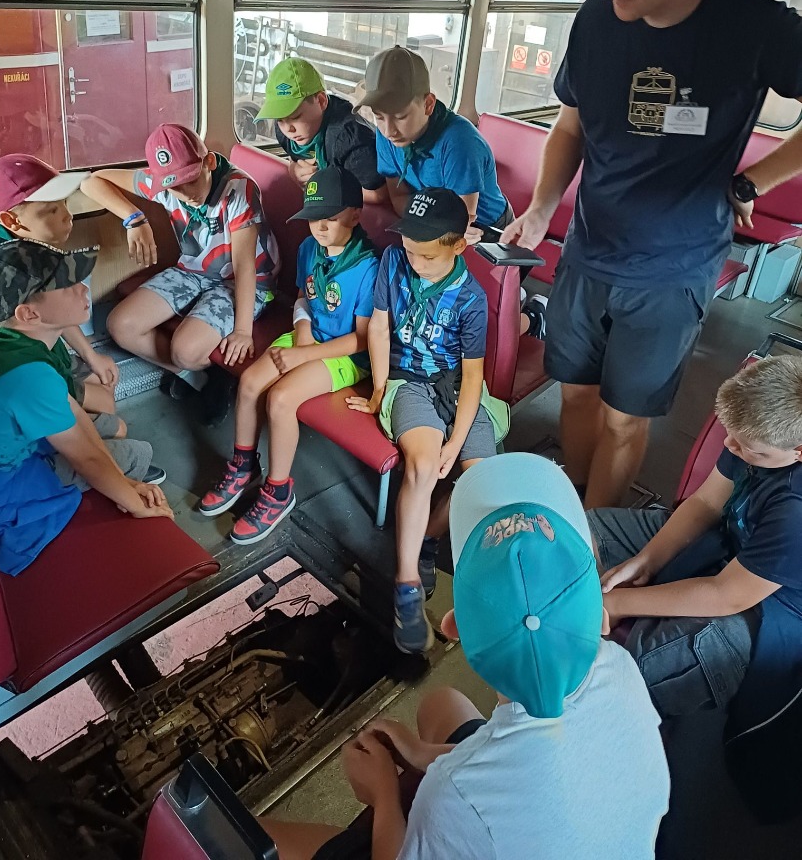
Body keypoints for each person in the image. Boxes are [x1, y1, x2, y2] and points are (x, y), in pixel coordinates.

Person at [501, 0, 802, 509]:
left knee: (623, 419)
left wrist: (754, 180)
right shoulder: (595, 21)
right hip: (588, 253)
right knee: (575, 396)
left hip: (672, 270)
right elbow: (570, 127)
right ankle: (574, 500)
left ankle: (594, 531)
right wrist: (543, 207)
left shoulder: (754, 26)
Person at [258, 453, 670, 859]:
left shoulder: (453, 797)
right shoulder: (620, 669)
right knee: (442, 705)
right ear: (601, 620)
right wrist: (422, 755)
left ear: (453, 628)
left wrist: (382, 795)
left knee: (260, 837)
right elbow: (531, 771)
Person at [591, 354, 802, 823]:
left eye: (747, 448)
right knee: (584, 531)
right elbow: (707, 502)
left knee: (632, 666)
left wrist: (617, 601)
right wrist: (647, 560)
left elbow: (728, 596)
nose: (729, 445)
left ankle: (617, 766)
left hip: (768, 610)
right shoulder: (750, 434)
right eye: (730, 435)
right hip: (732, 543)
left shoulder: (796, 510)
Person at [347, 188, 507, 654]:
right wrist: (379, 391)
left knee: (479, 479)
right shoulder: (393, 261)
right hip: (408, 381)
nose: (414, 262)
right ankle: (406, 585)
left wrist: (456, 444)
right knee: (421, 466)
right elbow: (379, 326)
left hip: (456, 385)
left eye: (427, 255)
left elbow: (473, 376)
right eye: (410, 250)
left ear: (458, 245)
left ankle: (428, 537)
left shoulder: (471, 298)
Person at [198, 166, 380, 544]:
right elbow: (302, 299)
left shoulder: (368, 266)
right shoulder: (309, 248)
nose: (320, 227)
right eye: (313, 217)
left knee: (281, 399)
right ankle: (244, 466)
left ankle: (279, 491)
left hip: (345, 354)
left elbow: (364, 340)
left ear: (355, 215)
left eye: (330, 218)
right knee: (250, 382)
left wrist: (304, 356)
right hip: (308, 334)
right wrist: (302, 332)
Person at [0, 239, 173, 576]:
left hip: (19, 440)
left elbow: (73, 410)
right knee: (137, 453)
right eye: (67, 287)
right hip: (5, 482)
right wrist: (133, 501)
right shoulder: (30, 376)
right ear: (29, 313)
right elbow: (86, 458)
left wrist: (119, 479)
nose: (83, 289)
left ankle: (119, 476)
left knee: (116, 435)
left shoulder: (21, 341)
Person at [80, 123, 279, 426]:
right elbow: (91, 182)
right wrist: (134, 219)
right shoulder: (164, 185)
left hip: (242, 280)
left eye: (190, 181)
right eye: (173, 187)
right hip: (194, 270)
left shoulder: (239, 189)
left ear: (208, 162)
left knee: (184, 350)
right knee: (121, 326)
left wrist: (242, 331)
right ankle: (200, 379)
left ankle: (205, 371)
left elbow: (244, 267)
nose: (184, 194)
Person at [0, 153, 122, 426]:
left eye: (65, 203)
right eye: (52, 210)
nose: (68, 216)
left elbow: (55, 312)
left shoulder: (28, 242)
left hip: (42, 343)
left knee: (105, 380)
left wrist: (91, 355)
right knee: (108, 409)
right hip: (17, 364)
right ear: (11, 221)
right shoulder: (8, 269)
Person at [356, 47, 511, 243]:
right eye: (379, 117)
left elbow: (464, 217)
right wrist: (423, 222)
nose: (389, 131)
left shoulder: (459, 143)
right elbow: (399, 197)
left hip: (485, 228)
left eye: (401, 117)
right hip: (431, 217)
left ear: (428, 104)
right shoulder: (386, 136)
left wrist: (431, 224)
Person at [258, 58, 387, 203]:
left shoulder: (349, 139)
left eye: (296, 117)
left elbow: (379, 194)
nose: (288, 129)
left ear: (321, 101)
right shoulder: (285, 132)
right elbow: (294, 158)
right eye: (280, 119)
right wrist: (293, 169)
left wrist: (324, 185)